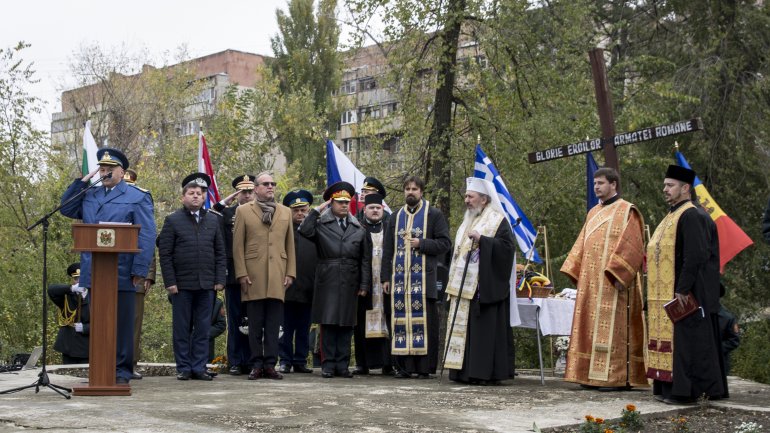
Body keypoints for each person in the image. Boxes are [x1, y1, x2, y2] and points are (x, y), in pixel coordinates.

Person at [59, 148, 156, 384]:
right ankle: (100, 369)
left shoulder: (138, 196)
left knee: (122, 324)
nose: (105, 172)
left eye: (110, 169)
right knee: (100, 322)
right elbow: (66, 209)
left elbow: (147, 235)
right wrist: (82, 182)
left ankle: (122, 371)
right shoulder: (90, 194)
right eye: (102, 169)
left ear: (122, 172)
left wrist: (140, 271)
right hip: (95, 271)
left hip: (123, 270)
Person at [559, 167, 647, 390]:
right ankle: (589, 375)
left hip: (613, 282)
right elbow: (581, 245)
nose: (596, 187)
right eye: (595, 183)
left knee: (615, 330)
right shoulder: (592, 212)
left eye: (600, 183)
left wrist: (620, 274)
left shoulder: (627, 211)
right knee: (588, 327)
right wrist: (575, 271)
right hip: (591, 283)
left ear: (613, 184)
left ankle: (614, 378)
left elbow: (634, 245)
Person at [646, 164, 727, 405]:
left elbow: (696, 255)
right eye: (664, 185)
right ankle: (669, 388)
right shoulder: (672, 215)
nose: (665, 189)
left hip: (690, 292)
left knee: (689, 342)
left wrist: (682, 289)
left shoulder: (693, 214)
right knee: (677, 342)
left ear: (685, 188)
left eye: (670, 185)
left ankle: (687, 392)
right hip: (670, 292)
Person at [444, 178, 515, 385]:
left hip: (483, 289)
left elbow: (507, 249)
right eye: (466, 196)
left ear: (484, 199)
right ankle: (462, 372)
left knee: (483, 333)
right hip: (462, 288)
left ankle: (483, 374)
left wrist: (483, 241)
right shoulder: (467, 221)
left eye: (470, 196)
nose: (466, 200)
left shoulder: (497, 220)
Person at [299, 181, 371, 378]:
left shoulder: (359, 228)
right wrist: (316, 210)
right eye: (339, 202)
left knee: (346, 325)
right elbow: (304, 230)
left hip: (350, 279)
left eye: (347, 202)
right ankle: (328, 364)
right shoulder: (322, 224)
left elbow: (365, 259)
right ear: (331, 203)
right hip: (328, 277)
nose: (344, 205)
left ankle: (342, 364)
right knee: (329, 324)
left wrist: (364, 284)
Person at [158, 173, 226, 381]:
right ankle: (184, 368)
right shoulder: (173, 220)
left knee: (203, 328)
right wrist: (170, 282)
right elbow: (165, 253)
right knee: (182, 328)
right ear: (183, 197)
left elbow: (220, 252)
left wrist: (219, 280)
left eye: (199, 193)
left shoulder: (213, 220)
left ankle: (199, 367)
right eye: (191, 193)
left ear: (204, 197)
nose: (196, 196)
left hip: (206, 284)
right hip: (182, 285)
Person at [381, 175, 451, 379]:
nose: (410, 192)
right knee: (400, 323)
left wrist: (421, 243)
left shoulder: (434, 214)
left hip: (424, 281)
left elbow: (445, 243)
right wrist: (385, 277)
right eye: (407, 189)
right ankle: (403, 367)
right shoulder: (395, 216)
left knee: (424, 325)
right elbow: (388, 249)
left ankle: (423, 368)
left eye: (414, 189)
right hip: (399, 283)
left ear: (421, 192)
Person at [233, 172, 296, 381]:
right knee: (254, 324)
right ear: (256, 188)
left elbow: (290, 246)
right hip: (253, 274)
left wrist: (290, 273)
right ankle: (256, 364)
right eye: (266, 184)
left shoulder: (285, 212)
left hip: (278, 273)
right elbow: (238, 246)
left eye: (273, 184)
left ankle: (270, 364)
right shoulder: (243, 211)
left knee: (273, 324)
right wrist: (241, 273)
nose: (270, 187)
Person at [213, 174, 256, 376]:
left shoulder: (262, 212)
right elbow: (209, 215)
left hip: (257, 274)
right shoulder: (227, 214)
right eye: (242, 192)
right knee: (235, 318)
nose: (247, 195)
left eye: (250, 191)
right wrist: (224, 202)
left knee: (254, 319)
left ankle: (253, 360)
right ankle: (236, 360)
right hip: (233, 275)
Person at [353, 192, 393, 375]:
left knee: (387, 320)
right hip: (366, 283)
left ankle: (388, 363)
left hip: (385, 282)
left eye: (378, 208)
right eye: (371, 208)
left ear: (383, 210)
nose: (375, 211)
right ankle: (363, 363)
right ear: (364, 209)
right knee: (362, 323)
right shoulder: (358, 228)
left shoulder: (390, 227)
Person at [278, 189, 317, 374]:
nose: (300, 214)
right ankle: (285, 360)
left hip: (309, 287)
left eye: (303, 210)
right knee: (285, 327)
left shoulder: (315, 230)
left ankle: (301, 360)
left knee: (304, 327)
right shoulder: (282, 231)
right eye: (296, 210)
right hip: (287, 288)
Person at [124, 168, 157, 380]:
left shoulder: (142, 203)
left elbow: (148, 241)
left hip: (136, 274)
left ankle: (131, 363)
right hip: (109, 273)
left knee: (134, 323)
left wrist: (149, 275)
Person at [47, 263, 90, 364]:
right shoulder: (67, 295)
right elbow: (51, 290)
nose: (78, 281)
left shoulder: (95, 296)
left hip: (86, 346)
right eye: (76, 279)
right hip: (69, 345)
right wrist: (71, 288)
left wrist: (85, 328)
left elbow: (102, 323)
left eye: (81, 278)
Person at [718, 304, 740, 375]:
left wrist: (716, 348)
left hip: (720, 362)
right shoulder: (701, 315)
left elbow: (734, 341)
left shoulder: (727, 317)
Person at [208, 295, 227, 363]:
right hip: (187, 350)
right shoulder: (187, 300)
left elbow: (221, 325)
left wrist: (205, 334)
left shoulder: (217, 303)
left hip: (207, 352)